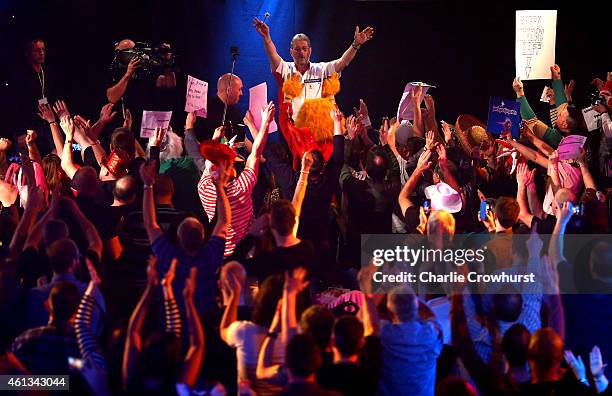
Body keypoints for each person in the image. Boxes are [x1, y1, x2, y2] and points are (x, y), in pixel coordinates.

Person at [253, 17, 374, 117]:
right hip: (294, 132)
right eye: (297, 49)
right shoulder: (286, 69)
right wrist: (267, 38)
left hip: (316, 129)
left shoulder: (321, 69)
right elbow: (272, 55)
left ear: (310, 51)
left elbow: (343, 62)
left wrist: (355, 45)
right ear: (291, 52)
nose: (301, 53)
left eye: (305, 49)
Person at [106, 39, 177, 133]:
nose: (134, 54)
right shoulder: (115, 71)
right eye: (129, 51)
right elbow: (112, 97)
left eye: (134, 50)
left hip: (148, 126)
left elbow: (169, 83)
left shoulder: (143, 70)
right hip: (125, 127)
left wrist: (167, 63)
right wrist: (128, 74)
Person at [9, 38, 59, 154]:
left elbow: (54, 97)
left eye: (43, 50)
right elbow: (14, 107)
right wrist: (20, 132)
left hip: (46, 125)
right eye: (37, 50)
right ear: (28, 54)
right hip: (28, 127)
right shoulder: (20, 76)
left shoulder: (49, 73)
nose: (41, 53)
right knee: (33, 162)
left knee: (52, 159)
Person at [190, 73, 245, 142]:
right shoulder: (204, 110)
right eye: (239, 89)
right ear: (228, 90)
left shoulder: (235, 112)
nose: (241, 93)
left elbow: (243, 140)